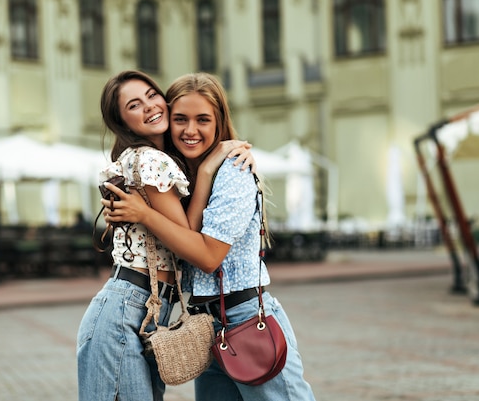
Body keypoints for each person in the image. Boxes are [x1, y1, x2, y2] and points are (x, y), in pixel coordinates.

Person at [102, 73, 316, 401]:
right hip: (206, 327)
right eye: (180, 119)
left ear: (219, 123)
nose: (190, 130)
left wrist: (147, 213)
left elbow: (207, 255)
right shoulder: (177, 179)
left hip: (246, 319)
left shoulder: (233, 171)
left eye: (203, 120)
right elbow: (179, 234)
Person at [76, 70, 254, 401]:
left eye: (151, 95)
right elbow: (189, 240)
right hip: (127, 308)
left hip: (143, 310)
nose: (149, 107)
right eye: (134, 105)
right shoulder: (150, 160)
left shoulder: (159, 160)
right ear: (123, 122)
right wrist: (206, 169)